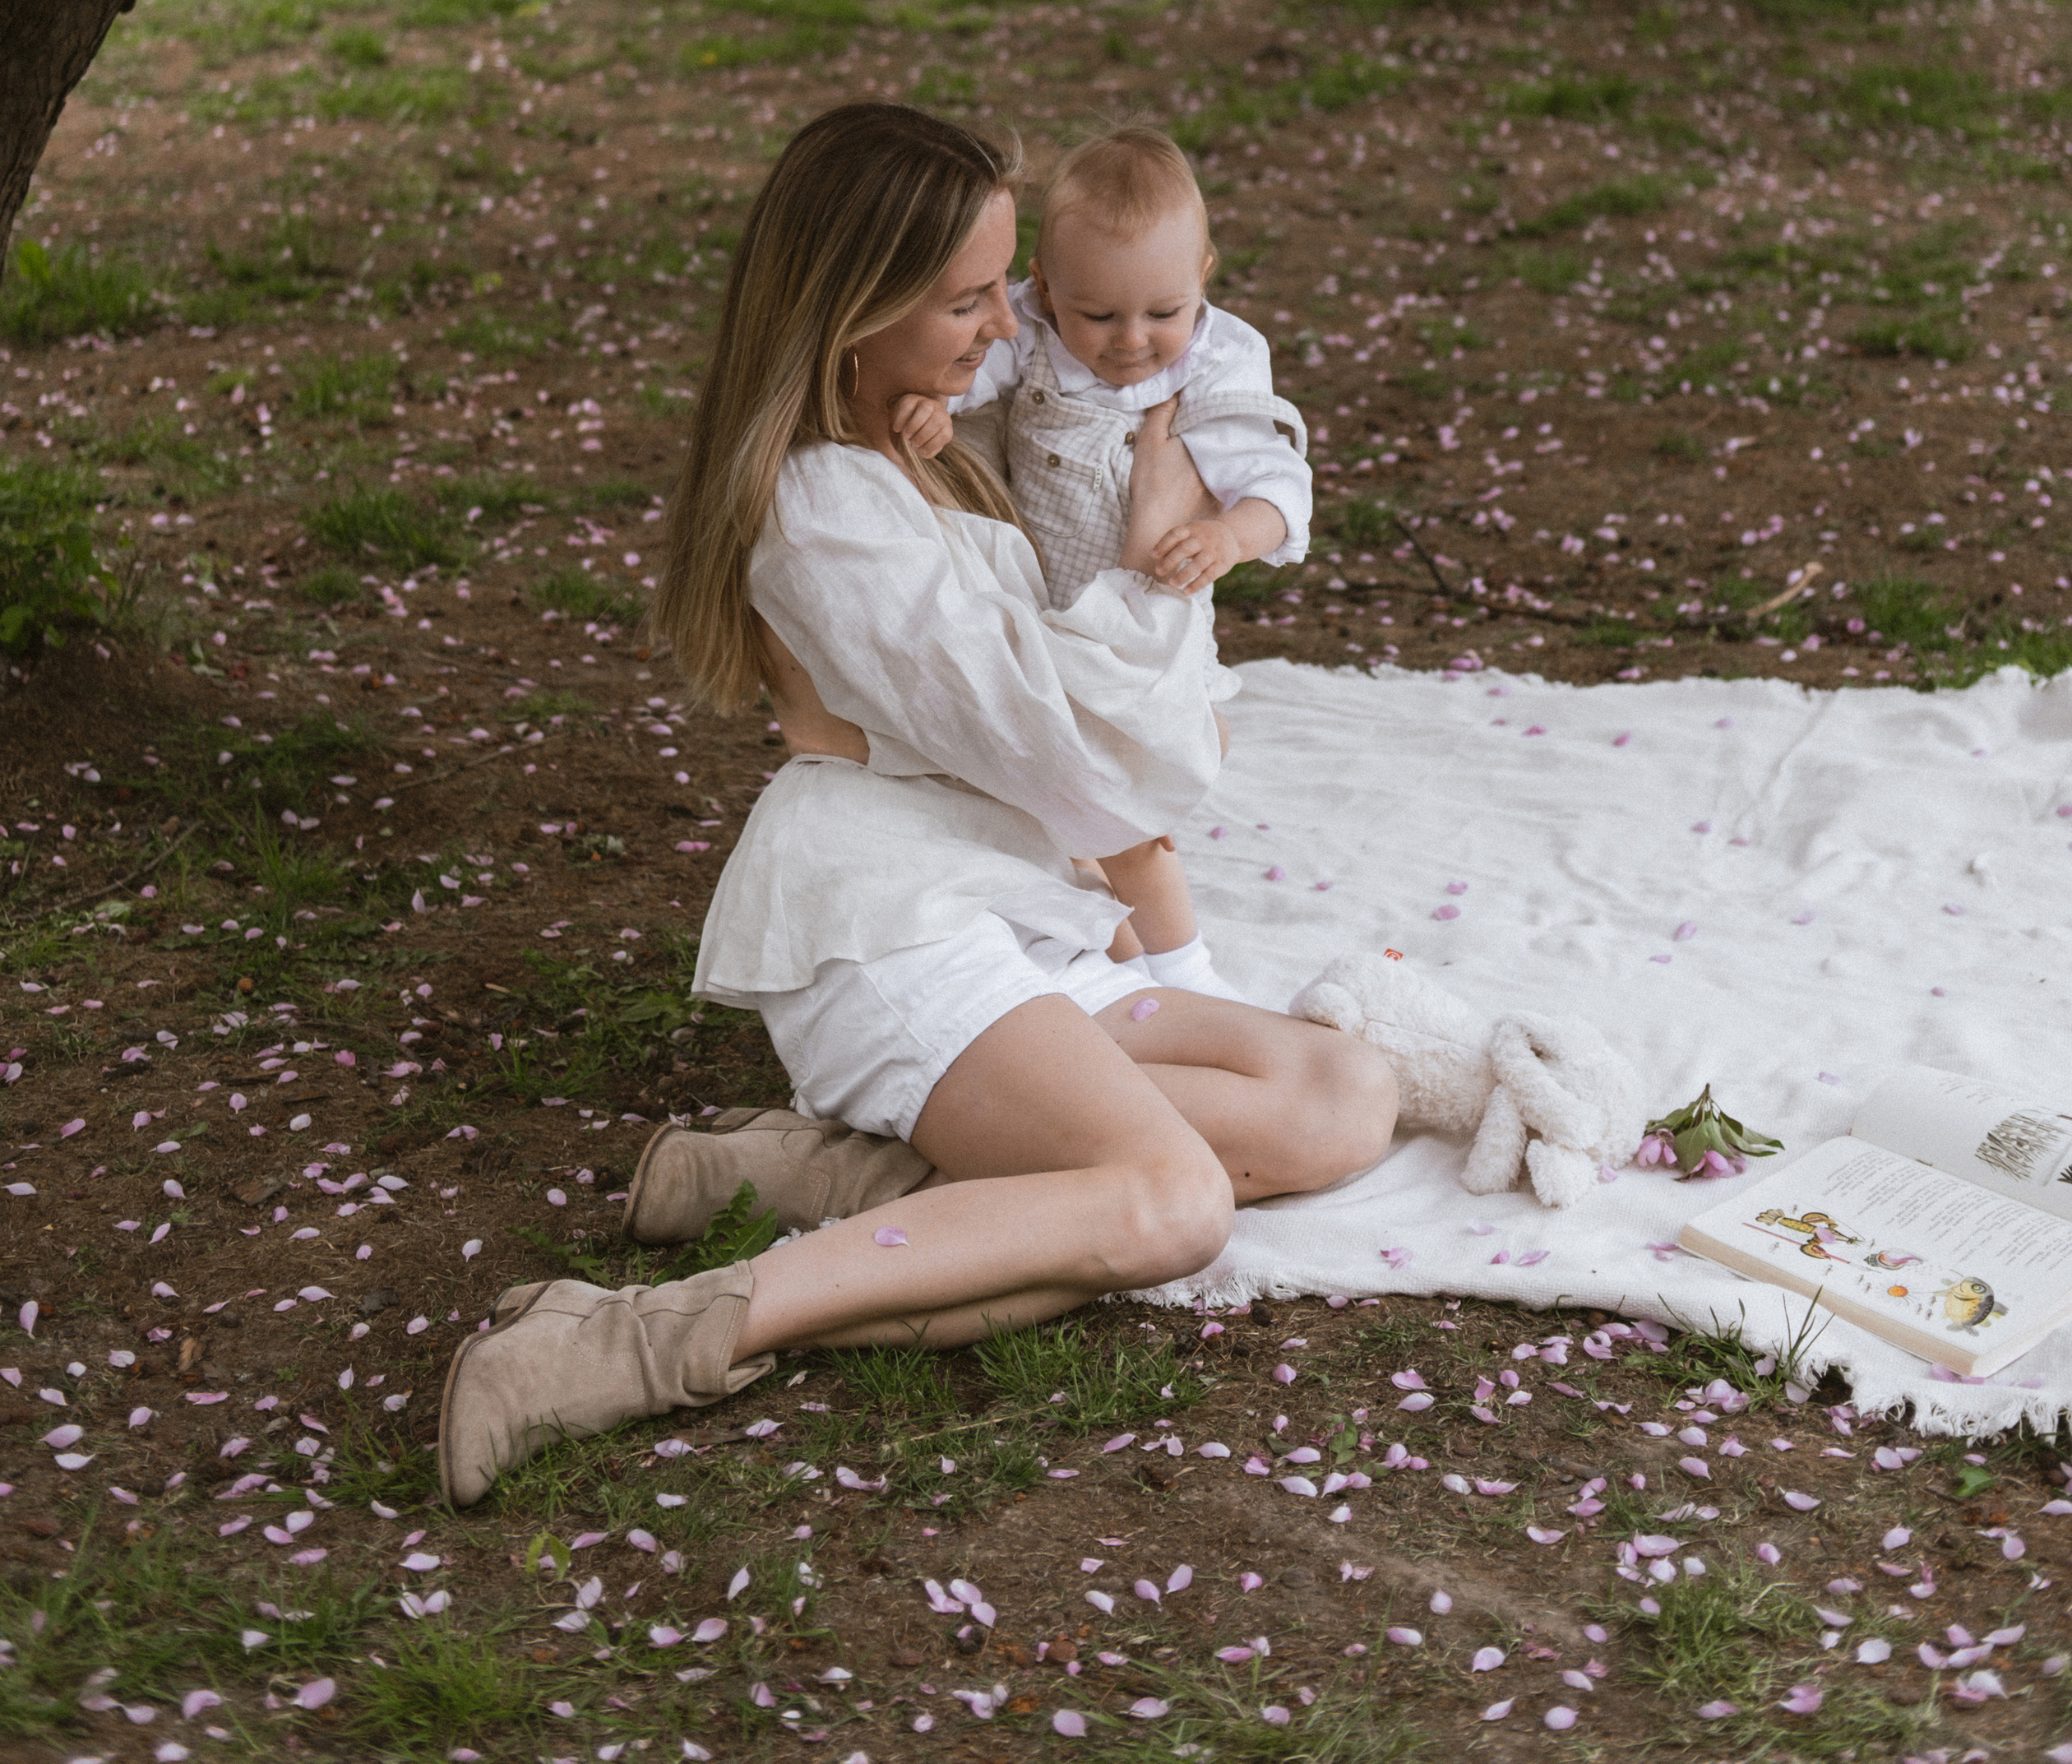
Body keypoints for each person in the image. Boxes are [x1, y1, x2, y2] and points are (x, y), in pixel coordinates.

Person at [437, 101, 1396, 1508]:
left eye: (1004, 292)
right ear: (851, 312)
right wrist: (1156, 543)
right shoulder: (825, 513)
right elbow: (1080, 752)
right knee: (1172, 1202)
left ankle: (810, 1173)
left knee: (1339, 1094)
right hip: (887, 935)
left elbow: (1087, 755)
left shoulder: (926, 438)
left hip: (997, 904)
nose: (1012, 329)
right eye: (967, 301)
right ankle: (630, 1342)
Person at [895, 124, 1311, 1002]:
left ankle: (1187, 975)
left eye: (1162, 312)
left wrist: (1233, 536)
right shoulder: (1030, 333)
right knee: (1072, 811)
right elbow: (963, 374)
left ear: (1202, 277)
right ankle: (1113, 953)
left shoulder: (1218, 359)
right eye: (1098, 315)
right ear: (1042, 290)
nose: (1131, 341)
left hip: (1152, 634)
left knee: (1130, 815)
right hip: (1044, 626)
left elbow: (1277, 480)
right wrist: (936, 409)